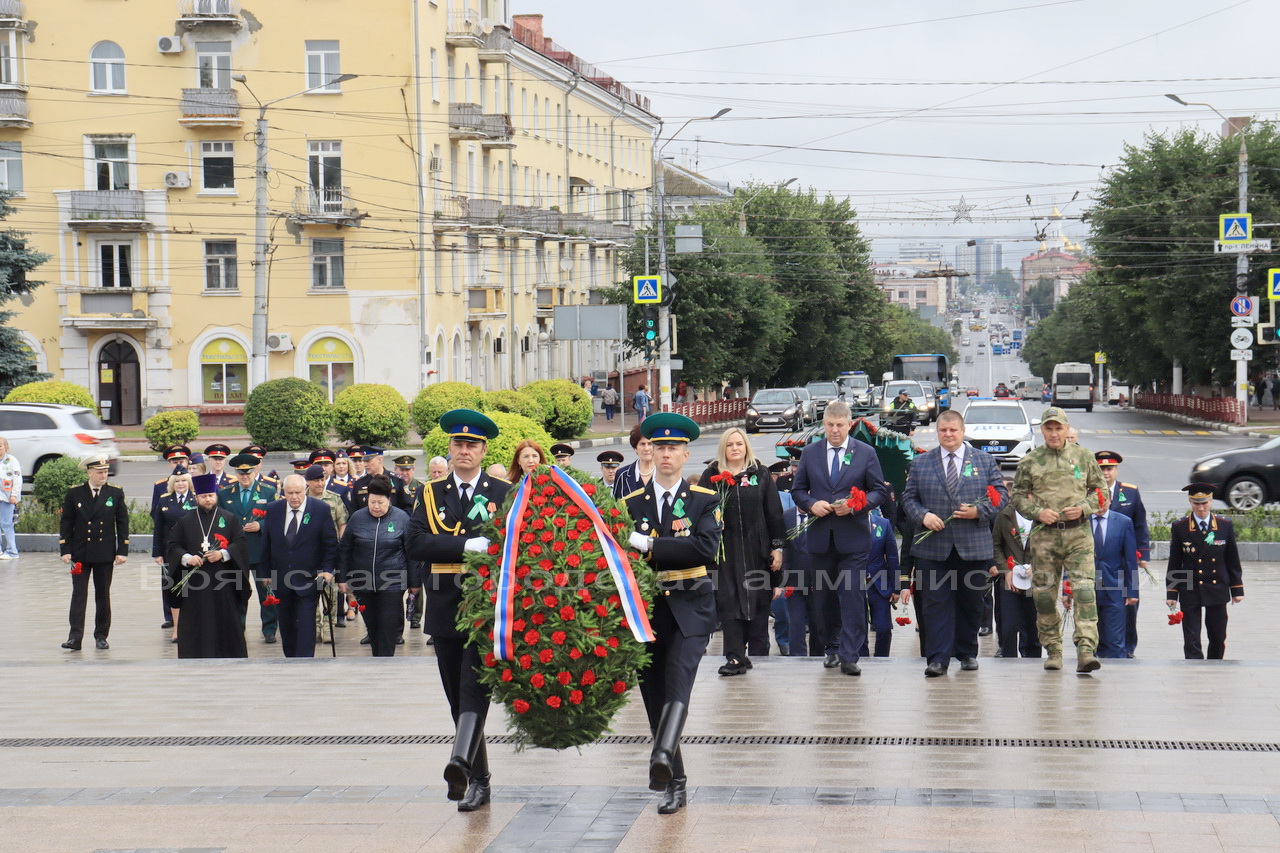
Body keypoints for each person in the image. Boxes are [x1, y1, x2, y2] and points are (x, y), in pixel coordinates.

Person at [406, 409, 510, 812]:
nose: (463, 450)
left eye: (471, 445)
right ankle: (476, 774)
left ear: (483, 451)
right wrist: (467, 546)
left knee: (474, 685)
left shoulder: (502, 492)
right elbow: (416, 544)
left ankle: (463, 765)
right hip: (446, 602)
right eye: (457, 444)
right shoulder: (430, 493)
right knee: (456, 694)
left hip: (487, 603)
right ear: (448, 449)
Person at [622, 413, 720, 814]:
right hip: (647, 611)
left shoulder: (703, 499)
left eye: (673, 448)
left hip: (691, 607)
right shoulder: (630, 504)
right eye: (659, 446)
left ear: (685, 454)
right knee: (653, 696)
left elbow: (704, 549)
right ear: (650, 450)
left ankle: (661, 753)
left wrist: (649, 545)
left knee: (678, 682)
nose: (665, 453)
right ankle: (674, 779)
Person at [901, 409, 1006, 677]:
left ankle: (967, 652)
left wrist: (978, 512)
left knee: (971, 603)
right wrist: (923, 516)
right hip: (933, 549)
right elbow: (908, 499)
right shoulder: (922, 462)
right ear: (937, 432)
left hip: (972, 547)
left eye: (953, 430)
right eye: (943, 430)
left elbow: (1001, 497)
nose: (948, 435)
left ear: (962, 431)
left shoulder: (984, 461)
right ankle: (938, 658)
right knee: (935, 604)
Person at [790, 401, 889, 676]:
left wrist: (858, 505)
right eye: (830, 425)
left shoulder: (865, 453)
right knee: (824, 598)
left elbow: (879, 491)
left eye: (840, 425)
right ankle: (832, 647)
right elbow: (798, 490)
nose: (835, 430)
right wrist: (811, 504)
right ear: (824, 425)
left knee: (851, 596)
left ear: (849, 425)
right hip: (821, 538)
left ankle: (849, 654)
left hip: (854, 539)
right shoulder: (810, 453)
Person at [1011, 407, 1107, 673]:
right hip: (1045, 536)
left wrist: (1086, 507)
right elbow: (1017, 497)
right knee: (1043, 596)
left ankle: (1086, 650)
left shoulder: (1084, 456)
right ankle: (1053, 650)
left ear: (1066, 429)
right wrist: (1037, 512)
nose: (1054, 433)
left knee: (1084, 591)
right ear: (1042, 430)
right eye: (1048, 428)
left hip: (1078, 534)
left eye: (1058, 428)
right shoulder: (1030, 461)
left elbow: (1101, 491)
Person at [697, 427, 784, 675]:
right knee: (730, 601)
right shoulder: (711, 474)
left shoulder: (760, 473)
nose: (735, 449)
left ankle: (747, 653)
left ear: (746, 446)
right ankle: (734, 656)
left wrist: (777, 548)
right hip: (726, 552)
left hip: (757, 549)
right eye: (730, 445)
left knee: (757, 601)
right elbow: (700, 509)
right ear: (723, 448)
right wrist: (712, 525)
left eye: (739, 444)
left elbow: (774, 513)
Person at [166, 472, 252, 659]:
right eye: (204, 496)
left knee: (225, 619)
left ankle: (228, 654)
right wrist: (187, 557)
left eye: (211, 496)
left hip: (224, 582)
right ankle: (195, 654)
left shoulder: (229, 519)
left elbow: (241, 543)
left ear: (216, 495)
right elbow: (173, 546)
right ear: (196, 497)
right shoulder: (186, 520)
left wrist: (223, 553)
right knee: (197, 620)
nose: (208, 499)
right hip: (195, 584)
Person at [259, 474, 338, 658]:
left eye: (298, 492)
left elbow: (330, 544)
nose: (294, 497)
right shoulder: (274, 509)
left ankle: (305, 660)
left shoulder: (320, 509)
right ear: (283, 492)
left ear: (306, 490)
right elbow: (266, 543)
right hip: (281, 576)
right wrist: (265, 572)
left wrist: (327, 570)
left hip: (309, 577)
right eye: (289, 493)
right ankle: (290, 659)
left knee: (305, 622)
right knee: (286, 623)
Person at [59, 453, 129, 651]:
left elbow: (122, 522)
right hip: (80, 552)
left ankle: (101, 635)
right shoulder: (75, 493)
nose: (103, 475)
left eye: (106, 472)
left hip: (104, 552)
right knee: (79, 594)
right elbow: (67, 523)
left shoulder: (115, 493)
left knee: (102, 595)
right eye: (99, 472)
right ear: (89, 472)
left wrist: (122, 550)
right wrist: (65, 549)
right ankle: (75, 637)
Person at [1166, 483, 1244, 660]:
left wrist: (1237, 589)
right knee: (1191, 637)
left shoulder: (1224, 525)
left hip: (1217, 586)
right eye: (1196, 503)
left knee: (1217, 635)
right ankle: (1194, 666)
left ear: (1211, 501)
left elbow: (1232, 559)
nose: (1201, 508)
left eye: (1204, 503)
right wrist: (1172, 592)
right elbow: (1175, 562)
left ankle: (1215, 663)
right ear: (1190, 502)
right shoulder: (1180, 526)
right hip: (1190, 586)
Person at [338, 475, 411, 656]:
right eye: (372, 502)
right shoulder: (357, 518)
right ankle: (377, 658)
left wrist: (414, 583)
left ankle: (385, 662)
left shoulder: (402, 518)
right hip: (363, 581)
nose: (376, 507)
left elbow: (412, 553)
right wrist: (342, 577)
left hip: (392, 582)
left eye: (380, 502)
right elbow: (345, 549)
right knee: (372, 626)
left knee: (388, 626)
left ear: (389, 500)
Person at [1094, 451, 1149, 658]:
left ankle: (1127, 646)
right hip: (1100, 558)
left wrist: (1142, 554)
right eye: (1101, 469)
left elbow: (1140, 524)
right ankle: (1101, 645)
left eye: (1109, 469)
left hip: (1125, 556)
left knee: (1128, 604)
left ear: (1116, 470)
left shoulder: (1130, 492)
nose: (1106, 473)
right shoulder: (1087, 491)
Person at [219, 453, 279, 644]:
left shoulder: (268, 491)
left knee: (266, 590)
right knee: (238, 591)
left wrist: (261, 525)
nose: (245, 477)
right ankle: (238, 626)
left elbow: (276, 519)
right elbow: (221, 521)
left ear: (255, 471)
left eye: (248, 473)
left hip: (260, 550)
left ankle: (269, 629)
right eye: (241, 473)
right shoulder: (225, 493)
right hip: (236, 552)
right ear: (236, 473)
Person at [990, 479, 1040, 659]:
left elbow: (1050, 546)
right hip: (1010, 581)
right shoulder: (1004, 515)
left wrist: (1037, 566)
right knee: (1009, 626)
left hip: (1035, 580)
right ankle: (1009, 658)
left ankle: (1033, 660)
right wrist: (1005, 569)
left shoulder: (1042, 516)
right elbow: (995, 545)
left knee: (1034, 626)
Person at [1088, 501, 1139, 659]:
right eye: (1096, 501)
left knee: (1115, 641)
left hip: (1115, 588)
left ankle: (1116, 678)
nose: (1100, 506)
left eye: (1104, 501)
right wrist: (1067, 590)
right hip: (1086, 587)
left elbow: (1130, 560)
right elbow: (1070, 557)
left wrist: (1132, 590)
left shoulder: (1123, 522)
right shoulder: (1080, 522)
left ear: (1110, 500)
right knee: (1088, 639)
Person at [305, 464, 349, 637]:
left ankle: (329, 627)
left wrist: (340, 547)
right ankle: (316, 627)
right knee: (310, 591)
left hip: (329, 553)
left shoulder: (334, 498)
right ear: (307, 482)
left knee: (331, 592)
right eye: (316, 480)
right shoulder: (302, 499)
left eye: (322, 480)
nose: (320, 483)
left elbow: (342, 523)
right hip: (308, 554)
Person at [152, 468, 195, 642]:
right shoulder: (164, 500)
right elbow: (158, 529)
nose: (180, 484)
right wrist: (157, 552)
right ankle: (176, 627)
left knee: (193, 588)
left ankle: (192, 625)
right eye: (177, 481)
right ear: (172, 484)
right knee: (173, 587)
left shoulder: (196, 499)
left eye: (184, 481)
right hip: (170, 551)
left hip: (191, 550)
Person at [861, 511, 900, 658]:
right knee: (859, 627)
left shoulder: (883, 524)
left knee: (883, 627)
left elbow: (892, 557)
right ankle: (861, 657)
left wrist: (896, 587)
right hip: (853, 583)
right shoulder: (846, 524)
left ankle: (881, 658)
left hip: (879, 583)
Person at [612, 425, 655, 498]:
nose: (646, 448)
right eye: (642, 444)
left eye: (650, 444)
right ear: (635, 448)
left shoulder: (665, 474)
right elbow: (616, 505)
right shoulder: (622, 475)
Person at [151, 445, 191, 512]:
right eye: (175, 462)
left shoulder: (196, 483)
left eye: (181, 462)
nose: (179, 465)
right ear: (169, 464)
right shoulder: (160, 485)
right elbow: (155, 511)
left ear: (187, 463)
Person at [0, 436, 21, 560]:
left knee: (7, 524)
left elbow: (17, 479)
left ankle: (12, 551)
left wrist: (14, 494)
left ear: (5, 447)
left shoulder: (12, 461)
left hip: (7, 497)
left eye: (0, 447)